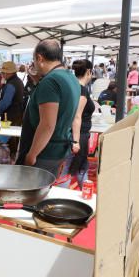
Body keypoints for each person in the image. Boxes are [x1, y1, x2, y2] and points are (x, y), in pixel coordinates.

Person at [15, 39, 80, 176]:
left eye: (34, 60)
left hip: (44, 153)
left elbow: (47, 125)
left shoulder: (50, 81)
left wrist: (32, 154)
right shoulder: (70, 77)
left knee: (31, 195)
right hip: (58, 149)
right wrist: (38, 81)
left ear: (39, 58)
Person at [60, 60, 95, 189]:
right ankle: (61, 198)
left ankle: (85, 193)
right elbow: (76, 116)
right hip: (77, 135)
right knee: (69, 170)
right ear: (88, 72)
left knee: (81, 167)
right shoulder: (81, 90)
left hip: (76, 134)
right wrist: (76, 141)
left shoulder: (72, 87)